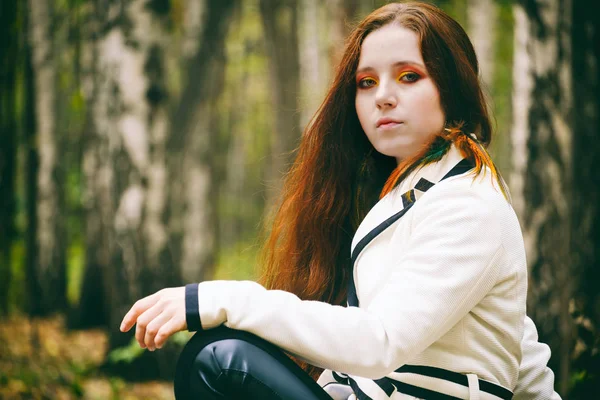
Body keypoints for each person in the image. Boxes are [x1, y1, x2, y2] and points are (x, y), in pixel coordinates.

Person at [120, 2, 561, 399]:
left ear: (454, 85)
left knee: (218, 360)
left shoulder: (467, 206)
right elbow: (514, 341)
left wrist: (229, 299)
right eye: (366, 83)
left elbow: (379, 341)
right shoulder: (411, 192)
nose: (383, 96)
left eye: (409, 76)